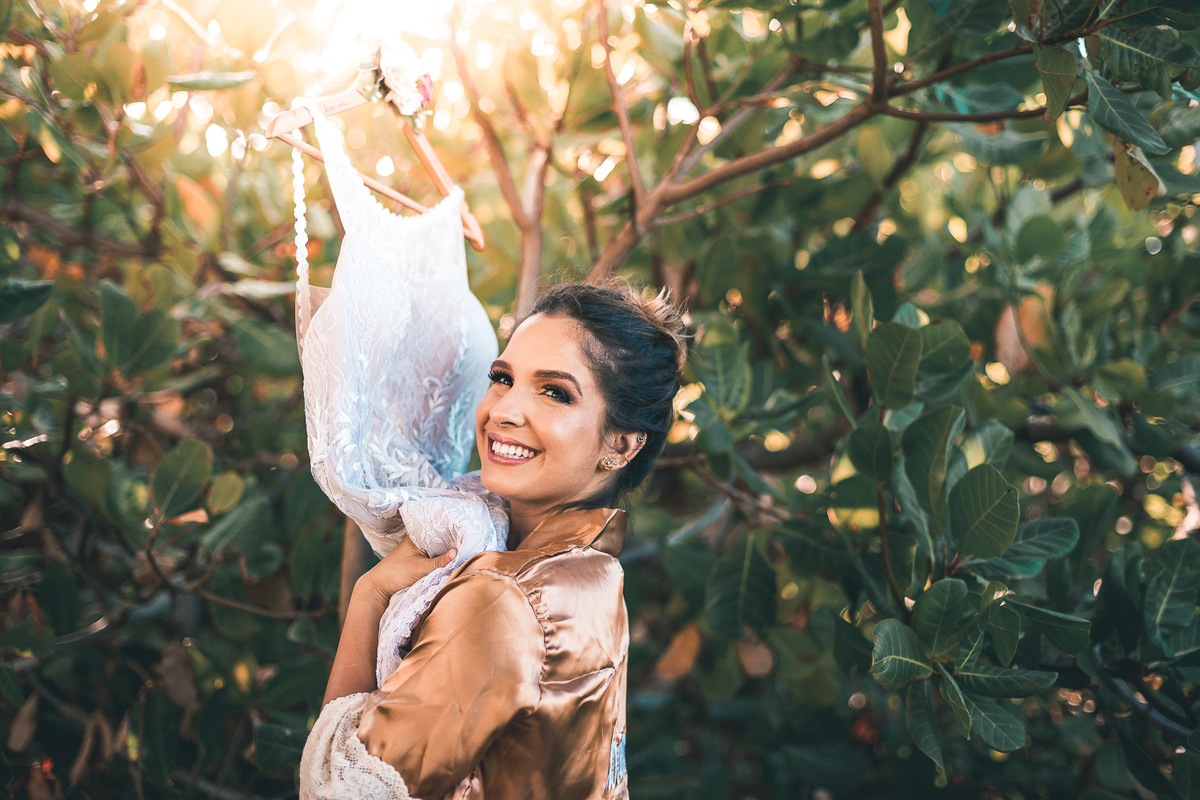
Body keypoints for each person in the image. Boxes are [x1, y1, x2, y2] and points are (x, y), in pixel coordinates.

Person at [290, 106, 687, 800]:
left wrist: (369, 597)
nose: (505, 408)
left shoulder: (500, 598)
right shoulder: (592, 572)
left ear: (621, 445)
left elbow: (337, 788)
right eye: (502, 377)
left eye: (555, 393)